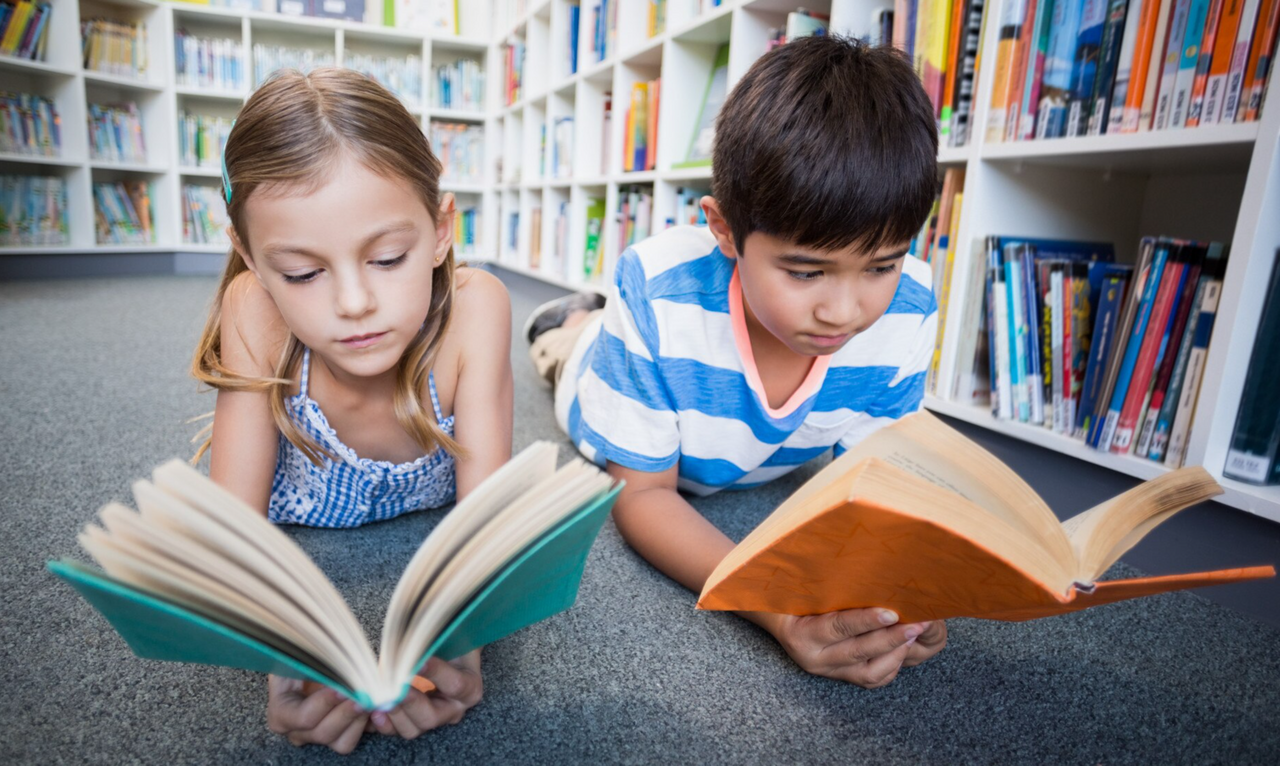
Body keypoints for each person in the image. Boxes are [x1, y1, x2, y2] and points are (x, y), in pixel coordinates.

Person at [525, 36, 947, 689]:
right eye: (806, 271)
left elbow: (876, 488)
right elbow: (644, 493)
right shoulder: (657, 288)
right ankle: (574, 320)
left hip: (694, 387)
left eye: (880, 266)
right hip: (589, 374)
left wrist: (902, 600)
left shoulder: (909, 306)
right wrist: (777, 608)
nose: (844, 311)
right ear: (724, 229)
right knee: (565, 346)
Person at [191, 68, 512, 753]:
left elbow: (488, 524)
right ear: (251, 259)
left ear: (441, 230)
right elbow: (231, 530)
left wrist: (465, 645)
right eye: (303, 274)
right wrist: (279, 656)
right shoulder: (252, 310)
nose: (354, 303)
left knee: (563, 350)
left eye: (389, 258)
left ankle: (566, 333)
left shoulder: (476, 308)